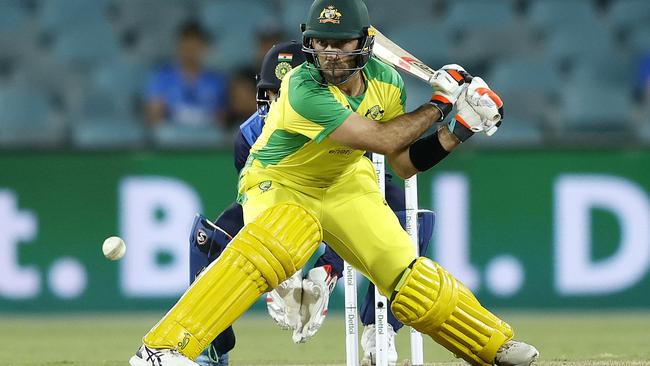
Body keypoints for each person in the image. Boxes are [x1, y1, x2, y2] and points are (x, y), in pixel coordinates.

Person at [129, 1, 539, 366]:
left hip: (346, 181)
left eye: (339, 43)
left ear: (363, 43)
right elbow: (380, 138)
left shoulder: (388, 84)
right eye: (321, 42)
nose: (328, 52)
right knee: (286, 237)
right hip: (280, 179)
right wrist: (441, 103)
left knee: (405, 273)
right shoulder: (301, 87)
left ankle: (492, 346)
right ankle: (163, 349)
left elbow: (403, 163)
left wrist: (459, 128)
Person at [187, 40, 435, 366]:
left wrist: (328, 267)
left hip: (342, 199)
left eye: (286, 96)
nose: (280, 106)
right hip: (286, 205)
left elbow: (367, 207)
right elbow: (257, 205)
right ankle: (211, 351)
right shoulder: (250, 135)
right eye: (273, 96)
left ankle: (380, 331)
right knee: (207, 239)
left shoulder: (351, 123)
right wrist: (283, 280)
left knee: (412, 220)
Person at [145, 20, 229, 128]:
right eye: (186, 46)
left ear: (204, 48)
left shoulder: (217, 81)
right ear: (178, 46)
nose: (190, 52)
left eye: (194, 47)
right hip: (172, 139)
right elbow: (154, 119)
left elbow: (221, 121)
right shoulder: (161, 78)